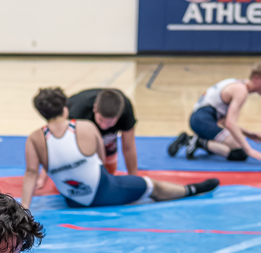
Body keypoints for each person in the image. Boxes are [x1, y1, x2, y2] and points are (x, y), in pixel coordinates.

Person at [22, 88, 219, 209]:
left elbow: (32, 172)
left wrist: (25, 207)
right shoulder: (86, 126)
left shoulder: (34, 139)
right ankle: (191, 190)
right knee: (152, 186)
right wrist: (132, 180)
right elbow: (101, 162)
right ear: (66, 109)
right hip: (102, 191)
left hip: (72, 200)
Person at [167, 62, 261, 162]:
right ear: (256, 78)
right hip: (202, 121)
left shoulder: (237, 84)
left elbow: (223, 122)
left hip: (200, 119)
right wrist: (249, 150)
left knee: (233, 145)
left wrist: (247, 133)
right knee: (240, 153)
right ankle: (195, 141)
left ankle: (198, 141)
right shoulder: (241, 91)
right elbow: (230, 123)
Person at [66, 88, 139, 175]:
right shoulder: (77, 111)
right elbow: (65, 145)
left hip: (107, 136)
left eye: (109, 123)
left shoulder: (126, 110)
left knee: (109, 171)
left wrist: (134, 176)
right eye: (101, 119)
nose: (104, 126)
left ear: (119, 116)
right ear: (95, 108)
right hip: (82, 132)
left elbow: (128, 147)